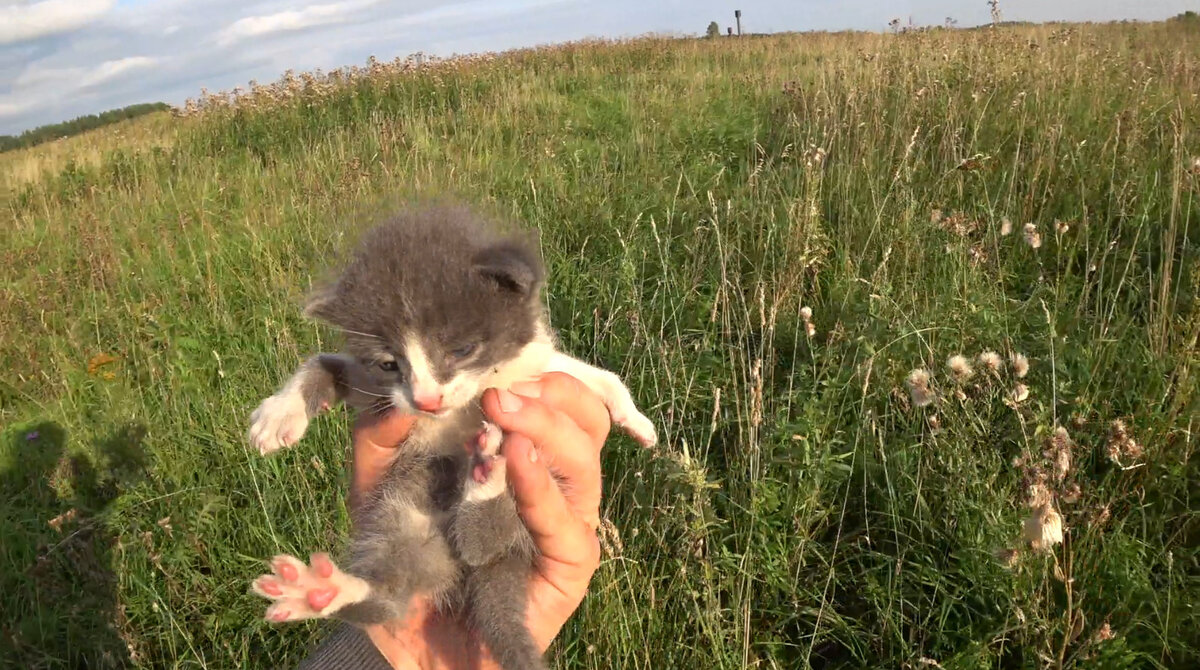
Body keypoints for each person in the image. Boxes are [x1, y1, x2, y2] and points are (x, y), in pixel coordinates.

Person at [297, 372, 608, 669]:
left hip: (479, 522)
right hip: (437, 522)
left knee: (500, 605)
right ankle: (374, 592)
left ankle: (483, 501)